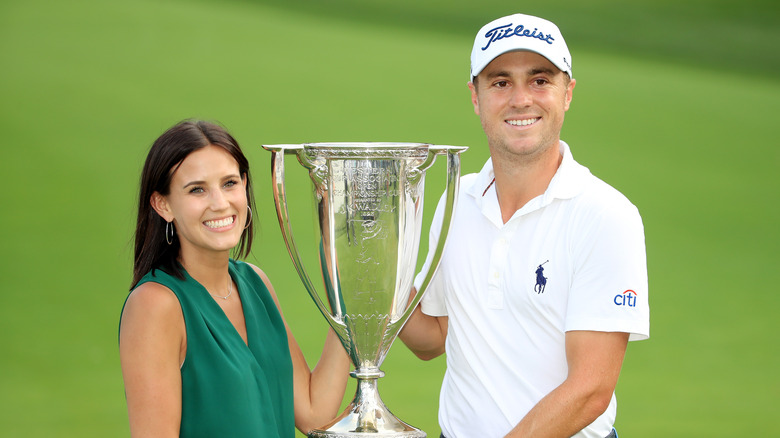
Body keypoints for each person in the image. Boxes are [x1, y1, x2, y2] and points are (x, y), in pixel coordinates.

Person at [399, 13, 650, 438]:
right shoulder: (456, 200)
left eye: (540, 80)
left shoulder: (606, 214)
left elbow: (591, 388)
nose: (520, 99)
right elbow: (433, 336)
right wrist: (366, 262)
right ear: (475, 97)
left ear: (567, 93)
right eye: (500, 82)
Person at [119, 120, 351, 437]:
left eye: (229, 183)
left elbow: (313, 413)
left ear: (244, 184)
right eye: (197, 189)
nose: (220, 203)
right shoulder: (155, 305)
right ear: (164, 204)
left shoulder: (256, 283)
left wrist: (346, 298)